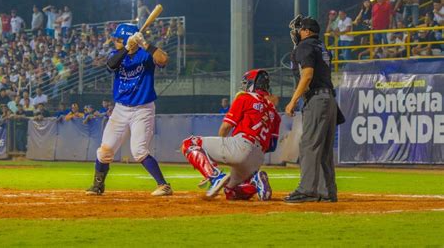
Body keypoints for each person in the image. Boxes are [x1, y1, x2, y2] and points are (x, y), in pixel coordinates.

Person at [86, 23, 172, 196]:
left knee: (138, 151)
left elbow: (163, 60)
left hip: (142, 109)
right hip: (121, 109)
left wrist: (145, 44)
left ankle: (164, 185)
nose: (115, 41)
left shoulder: (145, 55)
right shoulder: (117, 54)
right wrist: (126, 47)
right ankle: (98, 186)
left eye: (119, 39)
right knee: (105, 150)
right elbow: (110, 65)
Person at [181, 69, 280, 200]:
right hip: (258, 159)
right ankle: (255, 183)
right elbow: (272, 146)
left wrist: (219, 157)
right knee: (230, 192)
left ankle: (214, 176)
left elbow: (225, 127)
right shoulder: (274, 112)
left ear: (252, 83)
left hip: (242, 145)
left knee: (189, 143)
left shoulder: (245, 98)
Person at [285, 15, 339, 203]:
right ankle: (327, 192)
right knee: (324, 149)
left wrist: (293, 101)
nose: (297, 33)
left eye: (299, 29)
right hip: (329, 98)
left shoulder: (305, 46)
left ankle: (307, 190)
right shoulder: (321, 46)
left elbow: (307, 75)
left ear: (307, 31)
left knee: (309, 145)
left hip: (317, 99)